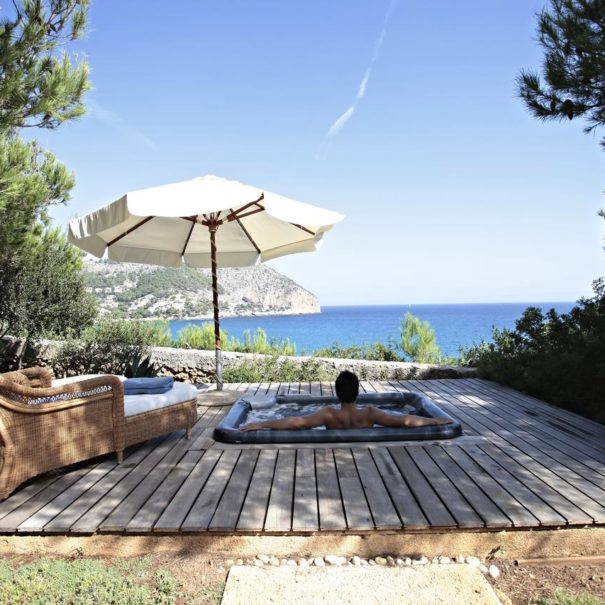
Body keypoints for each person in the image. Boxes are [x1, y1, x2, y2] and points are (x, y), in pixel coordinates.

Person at [241, 370, 453, 431]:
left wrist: (262, 423)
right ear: (358, 392)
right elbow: (404, 421)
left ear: (337, 393)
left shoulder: (329, 415)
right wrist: (434, 421)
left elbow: (296, 422)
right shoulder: (370, 413)